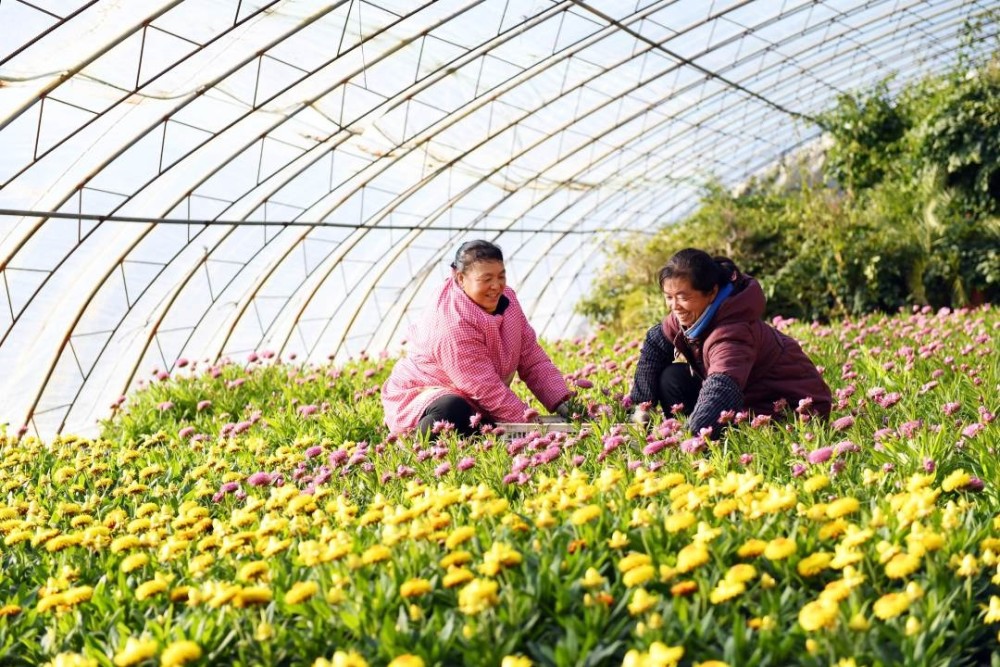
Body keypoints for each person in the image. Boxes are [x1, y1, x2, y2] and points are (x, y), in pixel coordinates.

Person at [630, 248, 831, 436]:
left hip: (791, 410)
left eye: (683, 297)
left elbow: (721, 389)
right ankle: (690, 436)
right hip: (747, 397)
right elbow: (655, 344)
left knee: (709, 416)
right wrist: (642, 407)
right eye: (669, 297)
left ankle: (700, 447)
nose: (675, 307)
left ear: (712, 292)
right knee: (673, 378)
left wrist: (691, 440)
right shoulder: (691, 313)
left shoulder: (734, 330)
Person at [382, 240, 574, 437]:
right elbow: (483, 388)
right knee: (452, 413)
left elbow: (532, 359)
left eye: (501, 276)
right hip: (423, 397)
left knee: (481, 421)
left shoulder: (508, 301)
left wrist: (565, 404)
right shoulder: (451, 320)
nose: (496, 286)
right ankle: (414, 443)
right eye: (486, 279)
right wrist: (537, 429)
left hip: (475, 400)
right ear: (460, 278)